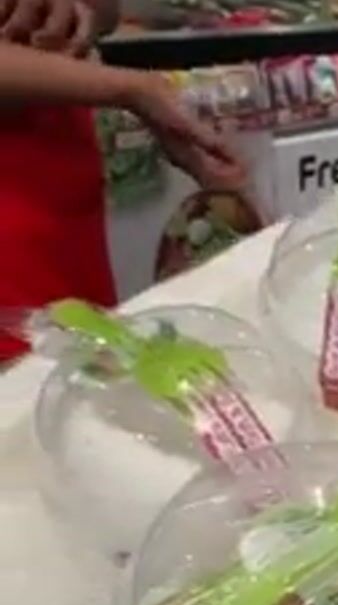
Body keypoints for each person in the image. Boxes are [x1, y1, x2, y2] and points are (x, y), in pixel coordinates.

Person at [0, 0, 243, 360]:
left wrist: (75, 12)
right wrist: (130, 89)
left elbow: (107, 13)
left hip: (62, 182)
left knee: (83, 358)